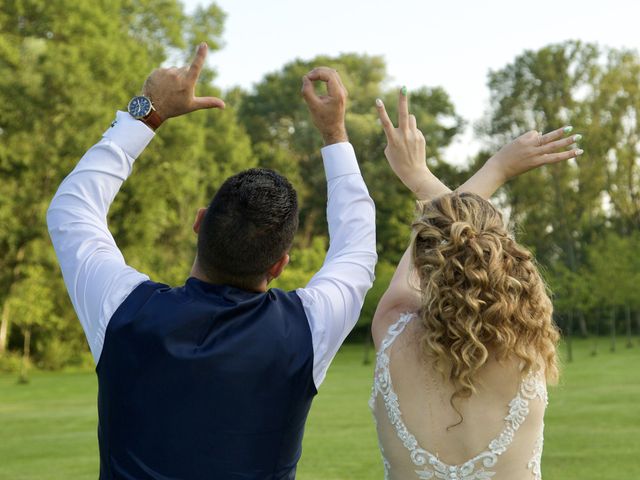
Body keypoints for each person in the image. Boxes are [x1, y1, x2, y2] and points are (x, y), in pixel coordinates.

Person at [47, 43, 376, 479]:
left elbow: (71, 210)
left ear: (199, 223)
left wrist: (148, 112)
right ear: (279, 264)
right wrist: (335, 134)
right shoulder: (308, 327)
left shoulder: (122, 309)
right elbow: (357, 246)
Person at [369, 89, 582, 479]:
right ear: (510, 267)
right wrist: (428, 177)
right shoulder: (528, 351)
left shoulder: (391, 328)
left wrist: (490, 170)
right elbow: (454, 238)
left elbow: (443, 236)